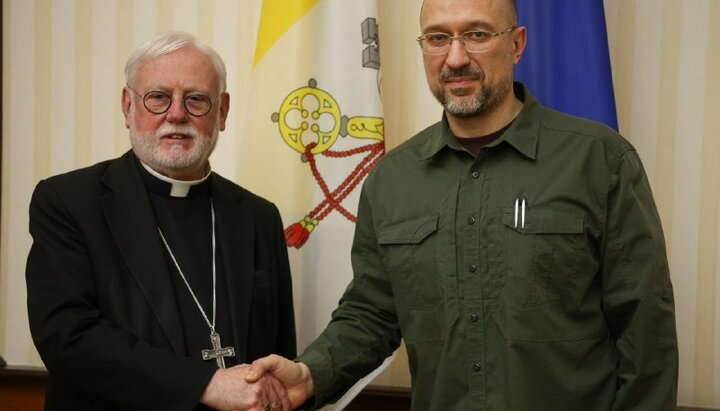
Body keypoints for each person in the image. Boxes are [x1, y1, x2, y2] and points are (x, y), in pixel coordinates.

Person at [246, 0, 679, 410]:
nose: (454, 59)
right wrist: (311, 374)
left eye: (476, 34)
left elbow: (644, 326)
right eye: (437, 38)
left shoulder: (599, 160)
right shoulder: (391, 180)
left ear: (517, 44)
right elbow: (372, 315)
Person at [26, 32, 295, 411]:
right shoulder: (69, 202)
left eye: (197, 99)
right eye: (158, 97)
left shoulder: (258, 216)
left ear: (222, 112)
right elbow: (68, 338)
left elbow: (279, 354)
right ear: (128, 106)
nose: (177, 114)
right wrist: (206, 383)